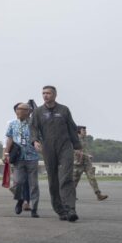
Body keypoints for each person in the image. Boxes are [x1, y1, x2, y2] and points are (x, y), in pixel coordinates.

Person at [29, 85, 82, 222]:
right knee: (53, 180)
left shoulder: (64, 110)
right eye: (43, 93)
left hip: (65, 147)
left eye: (48, 93)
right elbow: (33, 128)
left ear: (55, 95)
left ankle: (70, 209)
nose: (45, 95)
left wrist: (78, 147)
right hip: (48, 148)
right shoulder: (38, 112)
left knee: (66, 178)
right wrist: (35, 141)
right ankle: (60, 210)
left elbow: (72, 128)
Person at [4, 102, 40, 218]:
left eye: (21, 109)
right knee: (18, 182)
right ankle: (20, 200)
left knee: (33, 184)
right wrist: (6, 153)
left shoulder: (34, 124)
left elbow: (41, 138)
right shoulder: (12, 124)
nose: (18, 111)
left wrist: (39, 145)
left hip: (32, 157)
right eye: (17, 109)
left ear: (28, 111)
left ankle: (34, 208)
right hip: (18, 158)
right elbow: (9, 138)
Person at [72, 126, 108, 201]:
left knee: (92, 178)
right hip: (78, 163)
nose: (85, 132)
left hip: (86, 162)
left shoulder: (85, 140)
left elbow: (84, 150)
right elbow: (73, 150)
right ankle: (70, 195)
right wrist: (86, 155)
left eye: (85, 130)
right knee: (74, 180)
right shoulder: (74, 140)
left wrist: (87, 156)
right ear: (79, 131)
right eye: (83, 130)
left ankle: (98, 195)